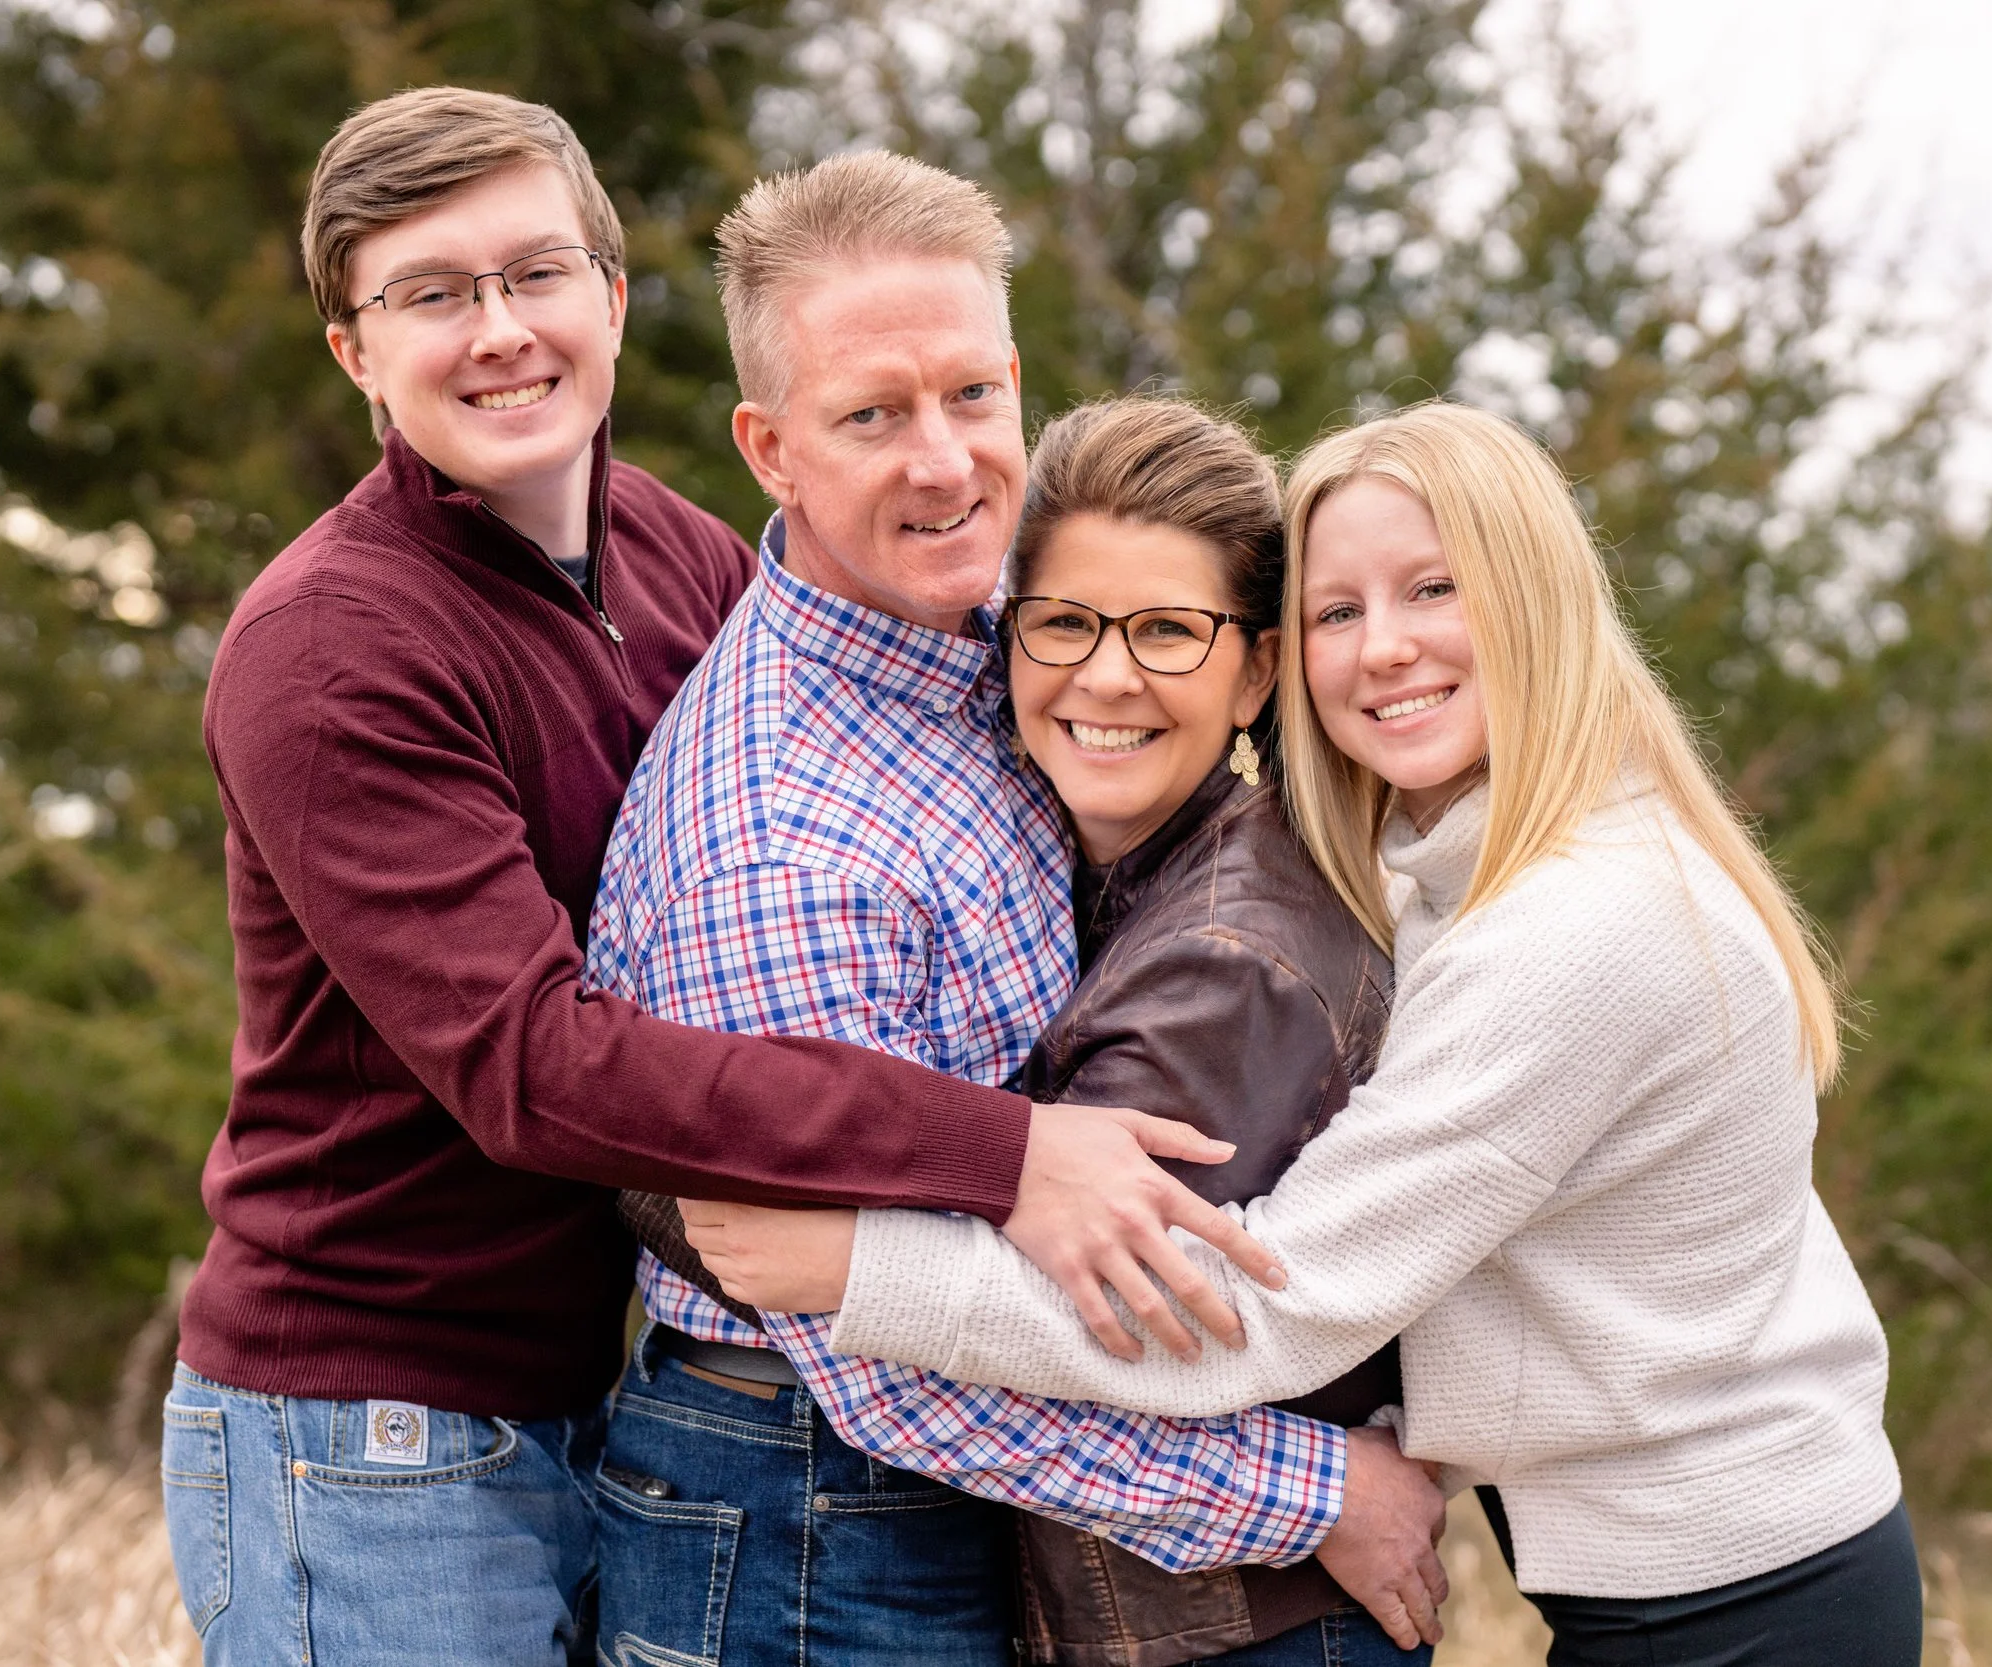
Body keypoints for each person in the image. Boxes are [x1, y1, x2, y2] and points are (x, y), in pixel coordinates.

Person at [167, 90, 1275, 1667]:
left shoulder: (669, 551)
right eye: (431, 293)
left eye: (536, 273)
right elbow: (536, 1066)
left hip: (604, 1376)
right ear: (355, 349)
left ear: (611, 300)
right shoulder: (331, 648)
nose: (500, 331)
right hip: (370, 1415)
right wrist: (1005, 1149)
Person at [696, 402, 1928, 1665]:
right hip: (1694, 1571)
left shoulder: (1573, 928)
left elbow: (1267, 1301)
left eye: (1433, 589)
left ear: (1537, 602)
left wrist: (854, 1269)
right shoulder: (1452, 862)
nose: (1383, 648)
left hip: (1742, 1598)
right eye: (1341, 609)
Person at [581, 164, 1445, 1667]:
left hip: (955, 1486)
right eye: (873, 414)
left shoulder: (1002, 620)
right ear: (769, 448)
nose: (944, 460)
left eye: (975, 394)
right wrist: (1310, 1494)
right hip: (808, 1505)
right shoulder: (787, 838)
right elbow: (883, 1358)